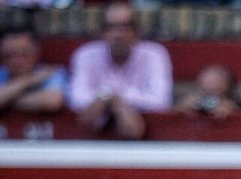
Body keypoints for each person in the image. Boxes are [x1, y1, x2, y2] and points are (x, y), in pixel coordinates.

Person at [67, 2, 172, 140]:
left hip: (148, 143)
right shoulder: (85, 55)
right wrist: (109, 97)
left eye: (125, 27)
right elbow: (77, 99)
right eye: (112, 27)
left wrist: (115, 98)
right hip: (91, 140)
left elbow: (160, 101)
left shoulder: (154, 54)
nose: (119, 35)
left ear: (136, 31)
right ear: (102, 32)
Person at [0, 27, 67, 117]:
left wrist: (6, 98)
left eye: (23, 54)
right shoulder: (2, 73)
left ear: (36, 52)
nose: (16, 60)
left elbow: (52, 101)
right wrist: (29, 80)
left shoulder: (52, 72)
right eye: (9, 55)